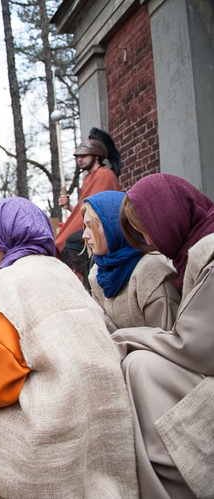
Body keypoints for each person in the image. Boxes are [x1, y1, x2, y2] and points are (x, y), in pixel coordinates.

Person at [0, 197, 137, 496]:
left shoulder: (3, 283)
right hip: (104, 423)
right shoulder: (65, 274)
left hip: (50, 430)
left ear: (7, 237)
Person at [112, 174, 214, 499]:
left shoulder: (206, 255)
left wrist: (124, 339)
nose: (148, 241)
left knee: (140, 367)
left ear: (166, 216)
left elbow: (195, 347)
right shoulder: (189, 255)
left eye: (146, 228)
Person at [82, 190, 179, 331]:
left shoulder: (152, 269)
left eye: (91, 226)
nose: (85, 235)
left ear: (114, 226)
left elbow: (168, 337)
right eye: (85, 227)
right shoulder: (97, 274)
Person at [55, 136, 120, 257]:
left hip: (101, 234)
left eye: (84, 156)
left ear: (96, 156)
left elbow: (95, 212)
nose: (80, 159)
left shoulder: (104, 175)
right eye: (78, 157)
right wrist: (69, 206)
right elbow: (86, 211)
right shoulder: (88, 178)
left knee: (66, 243)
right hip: (90, 230)